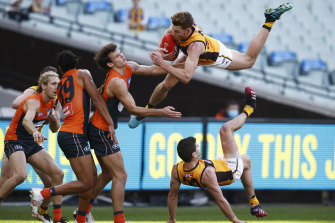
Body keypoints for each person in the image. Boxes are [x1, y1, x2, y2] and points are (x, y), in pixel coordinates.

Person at [128, 3, 292, 128]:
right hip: (197, 54)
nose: (174, 34)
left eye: (178, 32)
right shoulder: (176, 29)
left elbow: (186, 77)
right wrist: (161, 51)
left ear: (187, 30)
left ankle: (269, 21)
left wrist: (163, 62)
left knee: (249, 60)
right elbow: (168, 34)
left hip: (217, 54)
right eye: (174, 30)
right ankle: (143, 110)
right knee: (164, 82)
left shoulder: (195, 46)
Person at [72, 43, 182, 223]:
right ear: (110, 64)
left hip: (101, 128)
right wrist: (161, 112)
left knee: (108, 174)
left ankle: (82, 213)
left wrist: (176, 62)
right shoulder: (116, 82)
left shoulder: (129, 67)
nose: (122, 56)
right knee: (120, 174)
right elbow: (134, 110)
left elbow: (155, 71)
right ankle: (119, 220)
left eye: (120, 53)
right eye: (117, 57)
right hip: (101, 130)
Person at [30, 50, 117, 223]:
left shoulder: (61, 83)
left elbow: (80, 98)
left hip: (72, 133)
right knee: (86, 182)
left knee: (90, 180)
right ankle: (43, 193)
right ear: (76, 62)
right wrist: (110, 123)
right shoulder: (82, 74)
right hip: (74, 134)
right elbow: (97, 100)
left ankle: (81, 219)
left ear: (61, 68)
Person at [167, 87, 268, 223]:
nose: (198, 146)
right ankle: (250, 108)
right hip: (231, 169)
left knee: (246, 161)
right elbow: (220, 200)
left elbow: (172, 196)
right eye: (196, 146)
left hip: (218, 165)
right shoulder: (207, 173)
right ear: (193, 155)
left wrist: (171, 219)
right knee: (226, 129)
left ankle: (255, 204)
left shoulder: (176, 169)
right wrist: (235, 220)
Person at [0, 66, 65, 223]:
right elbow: (26, 120)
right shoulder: (34, 100)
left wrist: (55, 119)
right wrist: (35, 132)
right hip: (15, 140)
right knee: (19, 176)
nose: (57, 88)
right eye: (54, 84)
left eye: (59, 84)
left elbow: (54, 129)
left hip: (31, 142)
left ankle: (53, 217)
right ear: (43, 85)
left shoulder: (54, 102)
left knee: (57, 175)